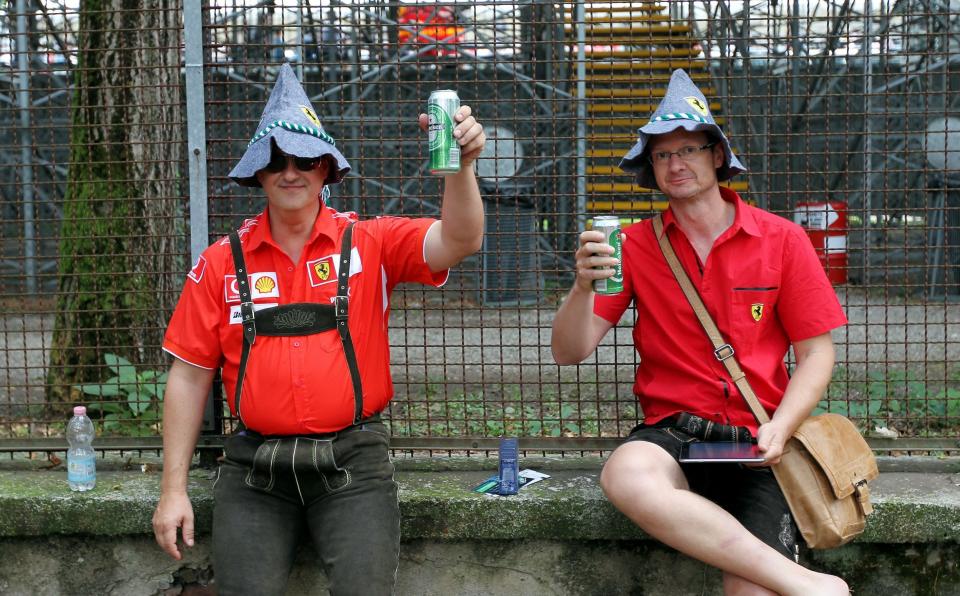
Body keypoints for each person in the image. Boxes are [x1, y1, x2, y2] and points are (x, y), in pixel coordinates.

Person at [152, 63, 485, 596]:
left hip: (353, 461)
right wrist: (173, 491)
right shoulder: (220, 262)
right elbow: (188, 378)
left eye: (306, 159)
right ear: (257, 171)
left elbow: (460, 240)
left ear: (327, 168)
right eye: (276, 160)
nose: (291, 171)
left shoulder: (368, 242)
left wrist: (461, 167)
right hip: (255, 467)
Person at [551, 69, 850, 596]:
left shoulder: (782, 239)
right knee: (626, 475)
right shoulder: (636, 246)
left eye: (687, 149)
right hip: (673, 431)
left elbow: (816, 354)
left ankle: (788, 580)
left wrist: (782, 427)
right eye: (662, 155)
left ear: (716, 155)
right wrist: (581, 287)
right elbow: (569, 351)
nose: (675, 164)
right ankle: (810, 586)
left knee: (750, 592)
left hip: (761, 439)